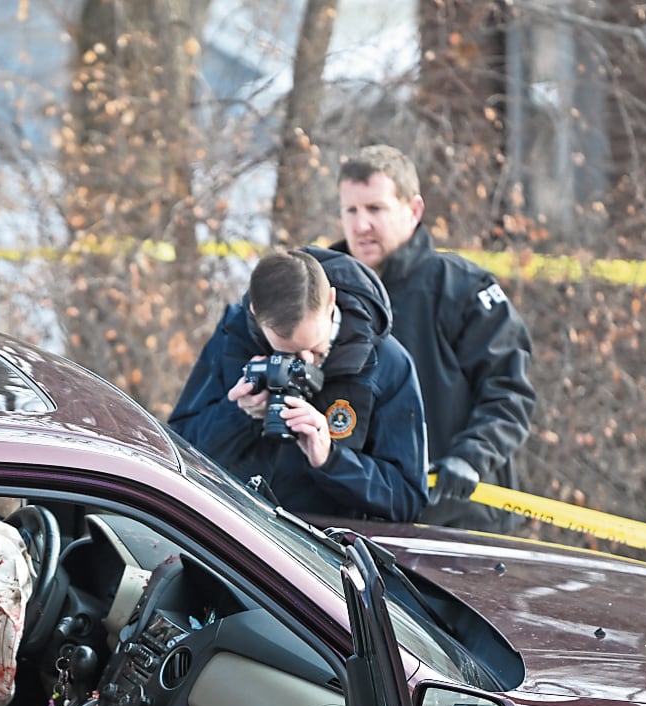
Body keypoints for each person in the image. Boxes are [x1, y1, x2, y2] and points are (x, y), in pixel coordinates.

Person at [332, 144, 536, 532]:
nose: (361, 226)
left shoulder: (462, 288)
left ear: (414, 211)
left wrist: (471, 457)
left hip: (457, 526)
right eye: (351, 211)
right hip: (348, 527)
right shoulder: (320, 291)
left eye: (375, 209)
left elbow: (509, 393)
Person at [169, 246, 428, 523]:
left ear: (331, 301)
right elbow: (177, 452)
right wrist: (237, 415)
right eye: (286, 354)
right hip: (230, 536)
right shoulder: (235, 337)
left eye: (316, 350)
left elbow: (407, 499)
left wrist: (330, 459)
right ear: (257, 314)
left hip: (319, 554)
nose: (304, 363)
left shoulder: (385, 363)